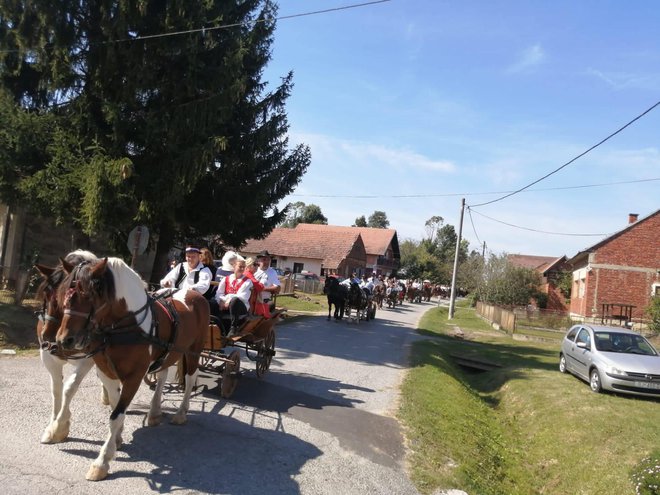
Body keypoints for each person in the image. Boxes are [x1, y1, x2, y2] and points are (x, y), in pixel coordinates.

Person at [211, 256, 253, 337]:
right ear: (234, 267)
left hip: (240, 307)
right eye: (240, 267)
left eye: (243, 267)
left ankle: (233, 328)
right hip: (224, 304)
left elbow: (242, 296)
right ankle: (215, 325)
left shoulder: (247, 281)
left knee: (235, 300)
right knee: (211, 303)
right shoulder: (226, 279)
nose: (242, 269)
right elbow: (219, 293)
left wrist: (228, 300)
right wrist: (221, 301)